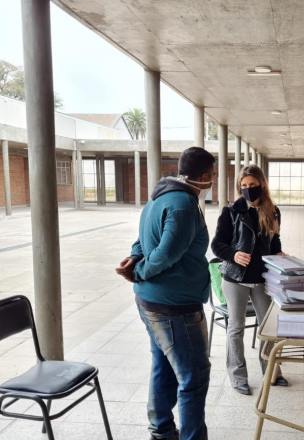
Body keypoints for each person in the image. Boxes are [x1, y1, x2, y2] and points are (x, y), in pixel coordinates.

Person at [115, 147, 215, 440]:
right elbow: (165, 254)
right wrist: (139, 270)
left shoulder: (159, 197)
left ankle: (160, 429)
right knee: (194, 377)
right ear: (207, 175)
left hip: (153, 302)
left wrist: (134, 258)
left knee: (163, 364)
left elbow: (141, 240)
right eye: (213, 175)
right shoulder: (183, 205)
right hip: (175, 308)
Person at [210, 165, 288, 395]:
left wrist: (280, 255)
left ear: (262, 185)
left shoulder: (273, 211)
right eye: (243, 186)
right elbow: (216, 245)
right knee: (236, 327)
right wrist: (233, 254)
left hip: (262, 278)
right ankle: (238, 376)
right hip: (235, 279)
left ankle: (272, 372)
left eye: (252, 186)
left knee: (268, 327)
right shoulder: (231, 211)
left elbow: (274, 244)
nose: (248, 190)